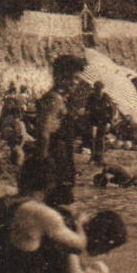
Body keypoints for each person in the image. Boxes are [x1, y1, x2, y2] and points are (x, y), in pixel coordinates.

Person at [34, 55, 87, 206]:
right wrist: (44, 166)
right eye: (73, 78)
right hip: (55, 163)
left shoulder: (61, 99)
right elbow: (44, 133)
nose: (76, 83)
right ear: (60, 76)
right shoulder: (54, 100)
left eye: (77, 79)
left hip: (61, 160)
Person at [84, 80, 116, 164]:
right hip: (93, 119)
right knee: (92, 137)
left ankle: (100, 157)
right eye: (96, 89)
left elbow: (112, 111)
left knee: (100, 138)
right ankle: (92, 157)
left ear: (102, 89)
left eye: (99, 89)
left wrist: (109, 122)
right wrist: (87, 114)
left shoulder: (106, 98)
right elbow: (87, 108)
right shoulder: (91, 97)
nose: (98, 91)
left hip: (103, 120)